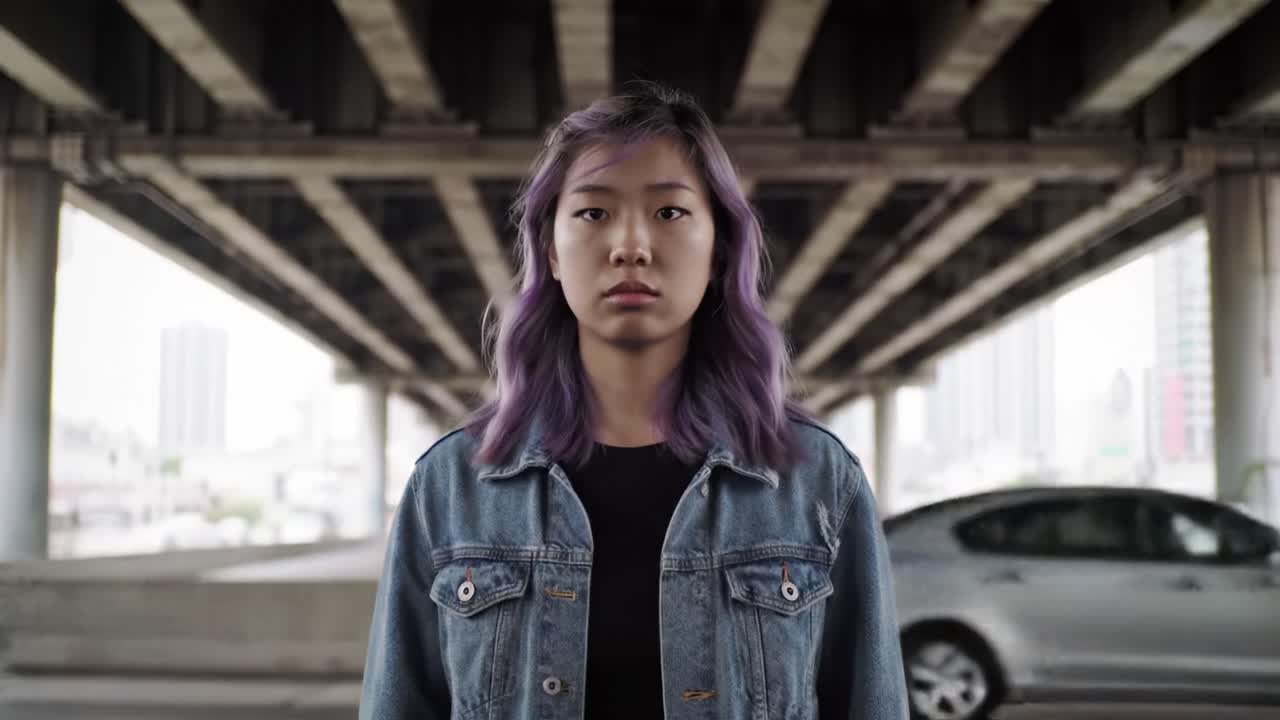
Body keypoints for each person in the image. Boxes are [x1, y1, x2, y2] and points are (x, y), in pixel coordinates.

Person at [360, 83, 907, 720]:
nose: (630, 246)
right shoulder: (452, 485)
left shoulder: (816, 479)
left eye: (669, 213)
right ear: (550, 253)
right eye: (593, 213)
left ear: (718, 249)